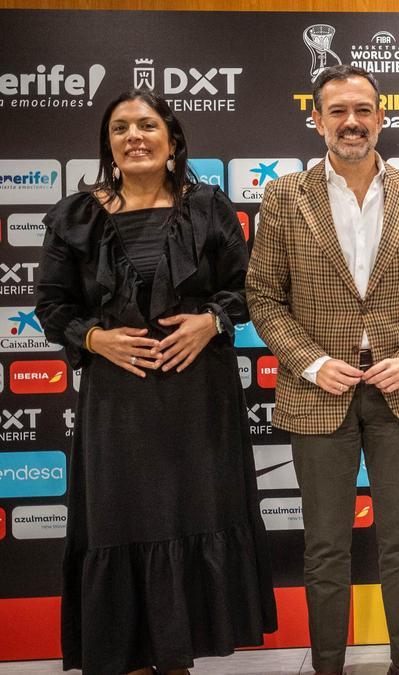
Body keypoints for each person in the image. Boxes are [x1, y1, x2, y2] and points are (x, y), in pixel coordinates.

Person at [34, 89, 277, 674]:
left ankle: (179, 661)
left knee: (192, 521)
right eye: (120, 128)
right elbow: (50, 305)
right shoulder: (74, 215)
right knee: (122, 526)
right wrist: (96, 339)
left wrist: (212, 321)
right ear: (108, 143)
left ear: (172, 139)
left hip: (198, 401)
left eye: (146, 125)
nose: (133, 137)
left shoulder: (209, 207)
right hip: (116, 407)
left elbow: (251, 289)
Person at [246, 64, 399, 675]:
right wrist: (310, 363)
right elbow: (263, 297)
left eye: (363, 110)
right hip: (318, 395)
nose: (351, 122)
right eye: (337, 111)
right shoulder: (284, 196)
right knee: (327, 547)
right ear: (317, 121)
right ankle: (328, 666)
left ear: (381, 117)